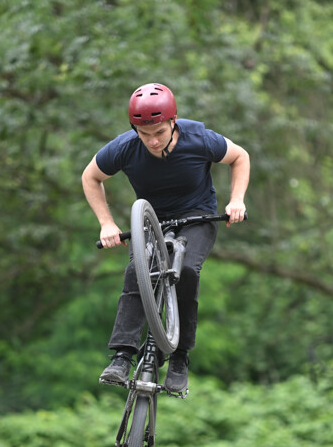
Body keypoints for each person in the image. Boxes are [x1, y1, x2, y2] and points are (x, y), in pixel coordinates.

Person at [81, 82, 249, 393]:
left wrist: (236, 200)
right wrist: (106, 223)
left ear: (174, 121)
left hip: (197, 216)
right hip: (150, 219)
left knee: (186, 272)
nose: (153, 141)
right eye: (144, 135)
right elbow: (90, 177)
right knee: (137, 270)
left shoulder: (199, 138)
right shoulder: (124, 147)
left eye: (159, 132)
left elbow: (240, 157)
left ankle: (179, 356)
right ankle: (122, 356)